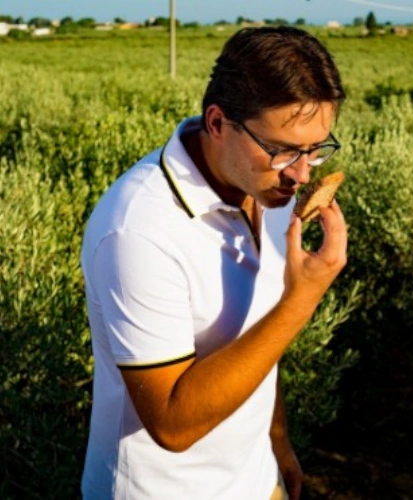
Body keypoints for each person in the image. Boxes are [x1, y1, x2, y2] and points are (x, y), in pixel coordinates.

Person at [80, 26, 347, 499]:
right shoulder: (139, 230)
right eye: (284, 149)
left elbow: (253, 340)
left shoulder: (270, 190)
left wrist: (276, 442)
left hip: (255, 480)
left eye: (315, 149)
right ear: (219, 122)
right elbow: (172, 425)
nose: (303, 173)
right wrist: (300, 301)